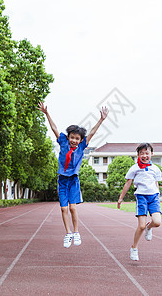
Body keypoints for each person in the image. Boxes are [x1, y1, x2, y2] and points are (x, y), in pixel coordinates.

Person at [38, 101, 109, 248]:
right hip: (62, 180)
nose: (74, 140)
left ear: (81, 140)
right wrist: (46, 113)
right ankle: (68, 233)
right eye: (72, 137)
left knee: (72, 208)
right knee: (63, 208)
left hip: (73, 181)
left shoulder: (82, 146)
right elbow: (54, 128)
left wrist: (101, 120)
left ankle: (76, 232)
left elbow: (92, 133)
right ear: (68, 137)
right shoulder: (63, 142)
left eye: (77, 138)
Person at [117, 143, 162, 261]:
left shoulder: (155, 169)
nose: (144, 155)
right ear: (138, 155)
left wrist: (157, 195)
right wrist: (121, 198)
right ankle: (134, 248)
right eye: (141, 153)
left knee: (157, 222)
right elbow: (128, 183)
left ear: (151, 154)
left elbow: (156, 183)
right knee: (141, 226)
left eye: (146, 153)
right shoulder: (134, 168)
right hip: (141, 197)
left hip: (153, 197)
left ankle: (150, 227)